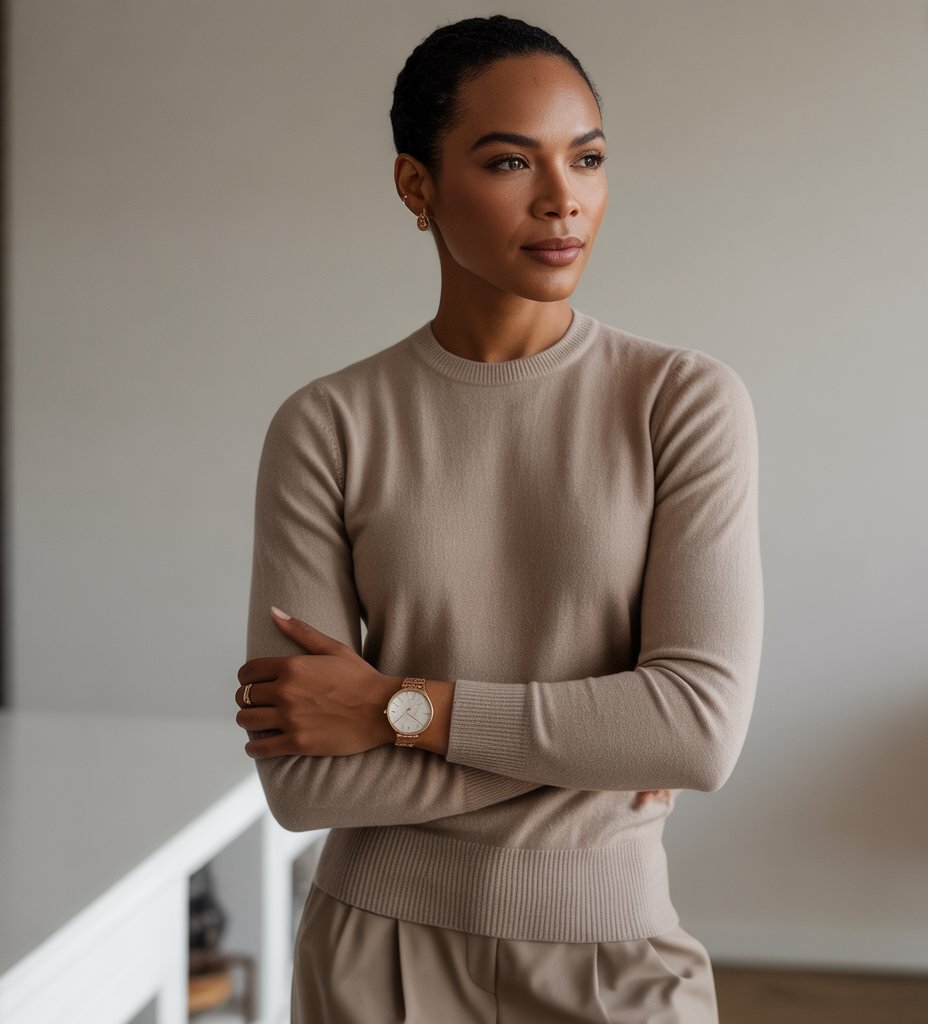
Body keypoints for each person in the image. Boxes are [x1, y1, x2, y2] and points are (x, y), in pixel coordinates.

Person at [234, 13, 762, 1024]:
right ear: (415, 186)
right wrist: (597, 746)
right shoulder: (328, 424)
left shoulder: (678, 402)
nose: (564, 199)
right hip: (368, 965)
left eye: (589, 157)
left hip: (613, 963)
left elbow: (695, 733)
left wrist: (398, 710)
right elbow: (303, 781)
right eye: (510, 160)